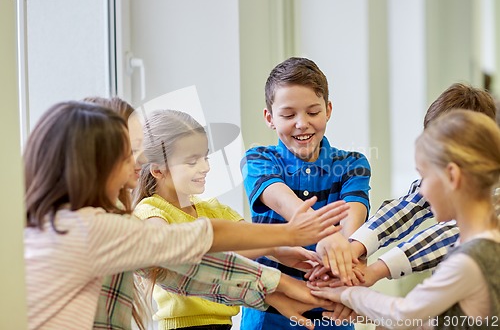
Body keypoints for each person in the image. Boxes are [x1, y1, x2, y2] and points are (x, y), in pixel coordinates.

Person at [23, 101, 351, 330]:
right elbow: (196, 245)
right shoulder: (91, 228)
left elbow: (186, 269)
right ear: (92, 164)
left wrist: (278, 279)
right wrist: (287, 237)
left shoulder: (58, 225)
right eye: (126, 156)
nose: (134, 166)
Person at [132, 109, 348, 330]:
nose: (205, 167)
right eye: (191, 162)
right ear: (158, 170)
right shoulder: (150, 211)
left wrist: (277, 250)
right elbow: (181, 253)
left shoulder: (215, 209)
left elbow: (250, 240)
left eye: (205, 157)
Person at [309, 109, 500, 329]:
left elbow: (405, 313)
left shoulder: (470, 260)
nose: (422, 191)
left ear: (452, 176)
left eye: (424, 177)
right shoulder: (482, 244)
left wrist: (347, 294)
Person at [240, 57, 371, 329]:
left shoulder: (352, 164)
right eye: (288, 115)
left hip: (332, 310)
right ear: (270, 118)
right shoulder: (259, 159)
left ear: (328, 110)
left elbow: (352, 222)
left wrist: (344, 250)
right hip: (269, 311)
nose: (302, 124)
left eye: (312, 112)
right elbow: (280, 198)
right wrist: (328, 234)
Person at [83, 96, 149, 330]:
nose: (141, 159)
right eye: (132, 149)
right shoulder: (90, 222)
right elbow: (179, 256)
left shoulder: (119, 212)